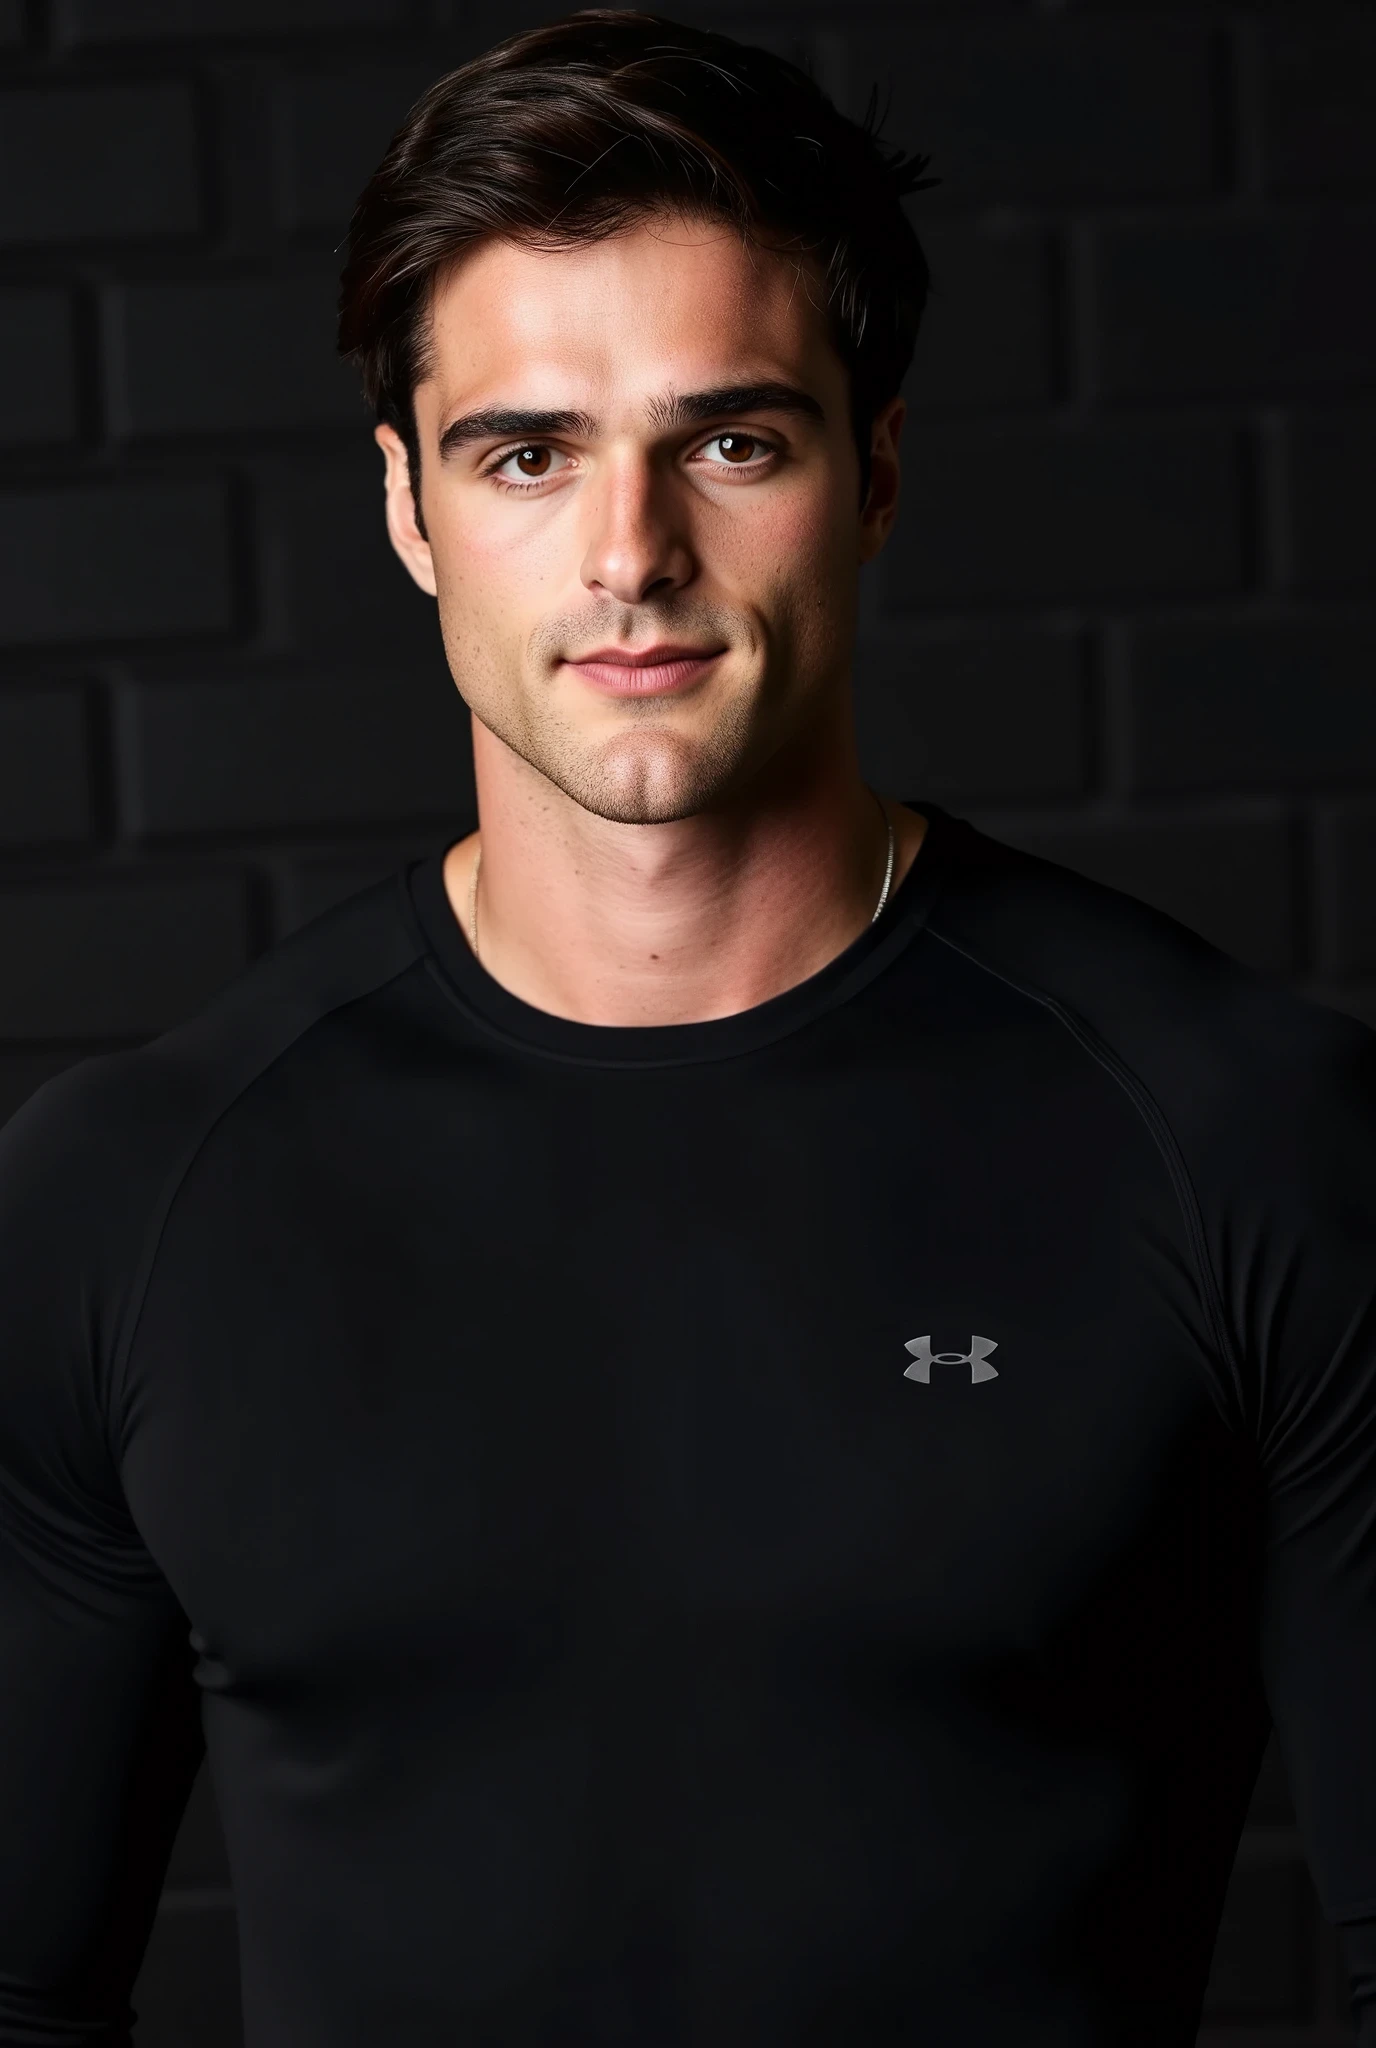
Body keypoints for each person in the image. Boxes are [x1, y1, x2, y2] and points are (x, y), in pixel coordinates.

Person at [0, 10, 1372, 2044]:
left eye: (730, 440)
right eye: (526, 453)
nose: (630, 556)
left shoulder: (1250, 1138)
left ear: (873, 472)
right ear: (406, 511)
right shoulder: (130, 1198)